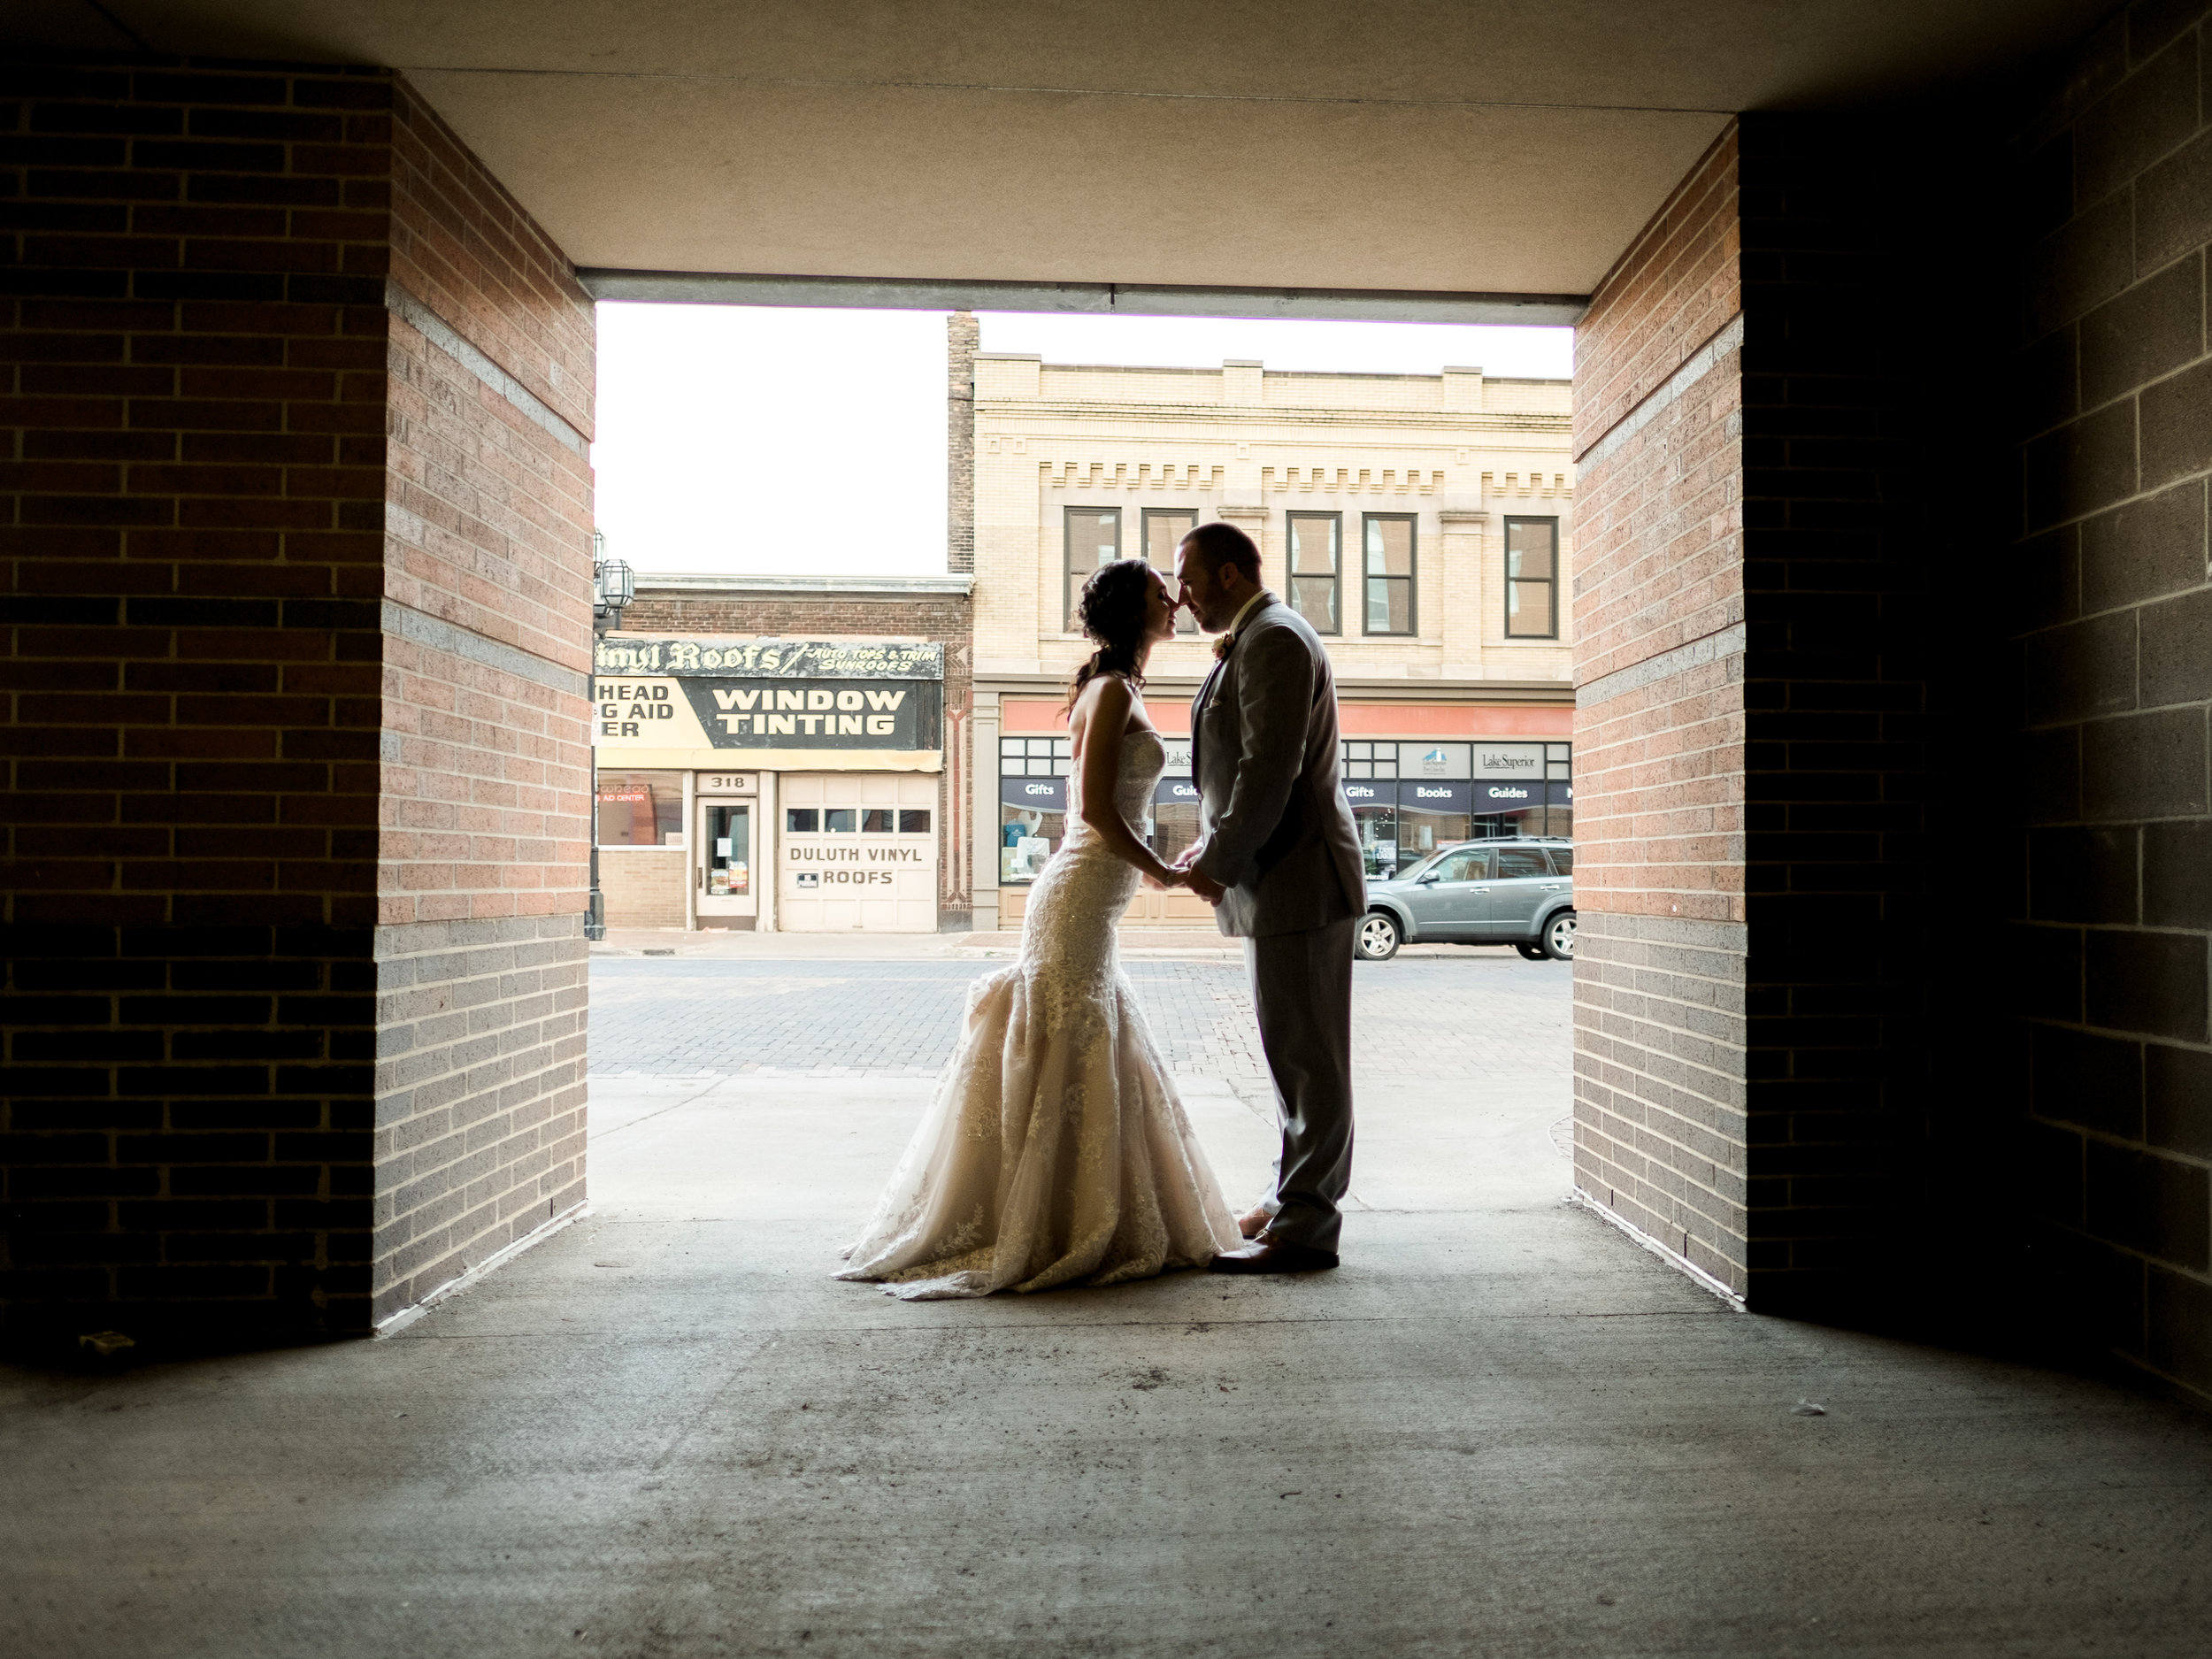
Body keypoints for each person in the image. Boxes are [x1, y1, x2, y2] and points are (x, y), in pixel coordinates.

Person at [837, 558, 1240, 1298]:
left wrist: (1151, 866)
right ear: (1133, 610)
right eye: (1162, 592)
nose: (1175, 600)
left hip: (1089, 894)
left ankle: (1082, 1205)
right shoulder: (1113, 689)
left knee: (1091, 1033)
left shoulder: (1118, 686)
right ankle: (1053, 1218)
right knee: (1073, 1030)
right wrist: (1161, 870)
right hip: (1079, 890)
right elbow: (1091, 809)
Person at [1172, 522, 1365, 1274]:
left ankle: (1309, 1225)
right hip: (1283, 880)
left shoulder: (1275, 639)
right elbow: (1241, 772)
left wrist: (1220, 859)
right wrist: (1210, 844)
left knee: (1311, 1058)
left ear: (1227, 574)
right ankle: (1293, 1198)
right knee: (1293, 1053)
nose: (1181, 595)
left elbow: (1267, 771)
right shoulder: (1259, 637)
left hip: (1302, 879)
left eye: (1187, 579)